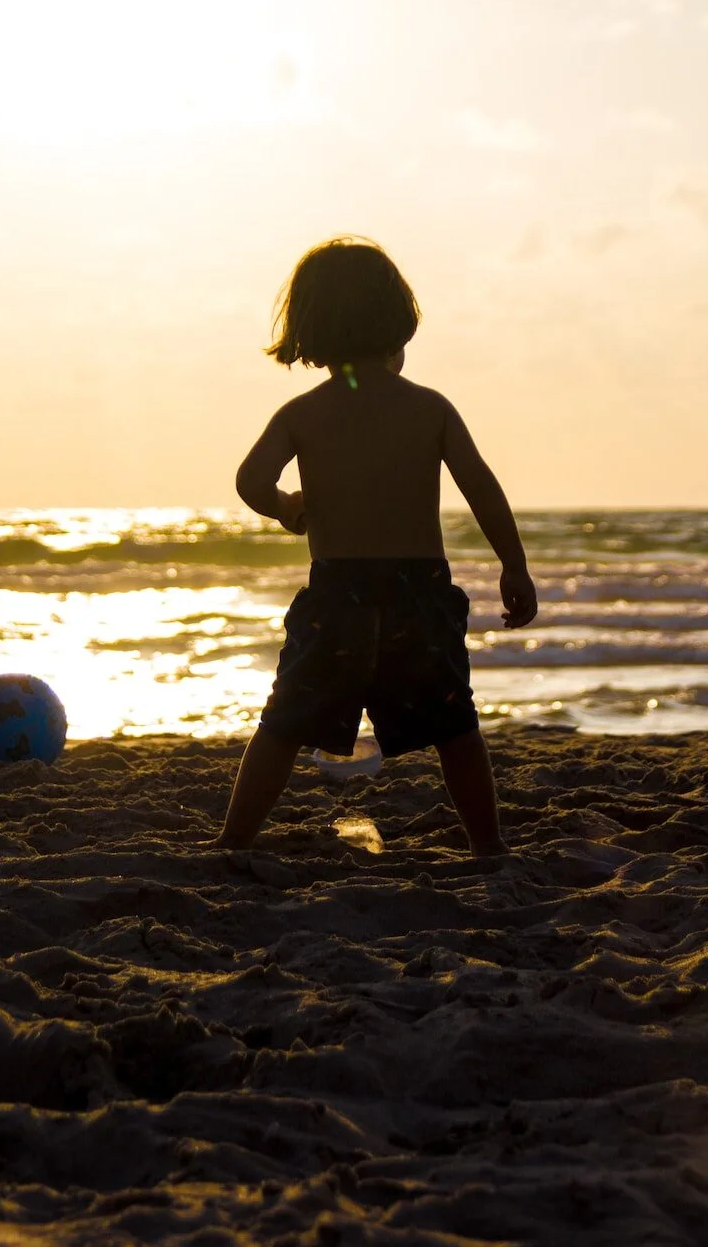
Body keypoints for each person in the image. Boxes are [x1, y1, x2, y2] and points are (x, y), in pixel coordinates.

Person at [220, 238, 538, 854]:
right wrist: (514, 565)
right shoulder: (429, 408)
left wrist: (286, 508)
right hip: (416, 594)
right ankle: (488, 847)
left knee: (283, 724)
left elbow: (251, 481)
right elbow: (482, 488)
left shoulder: (303, 413)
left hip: (337, 593)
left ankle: (234, 840)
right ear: (397, 320)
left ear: (309, 327)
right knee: (454, 726)